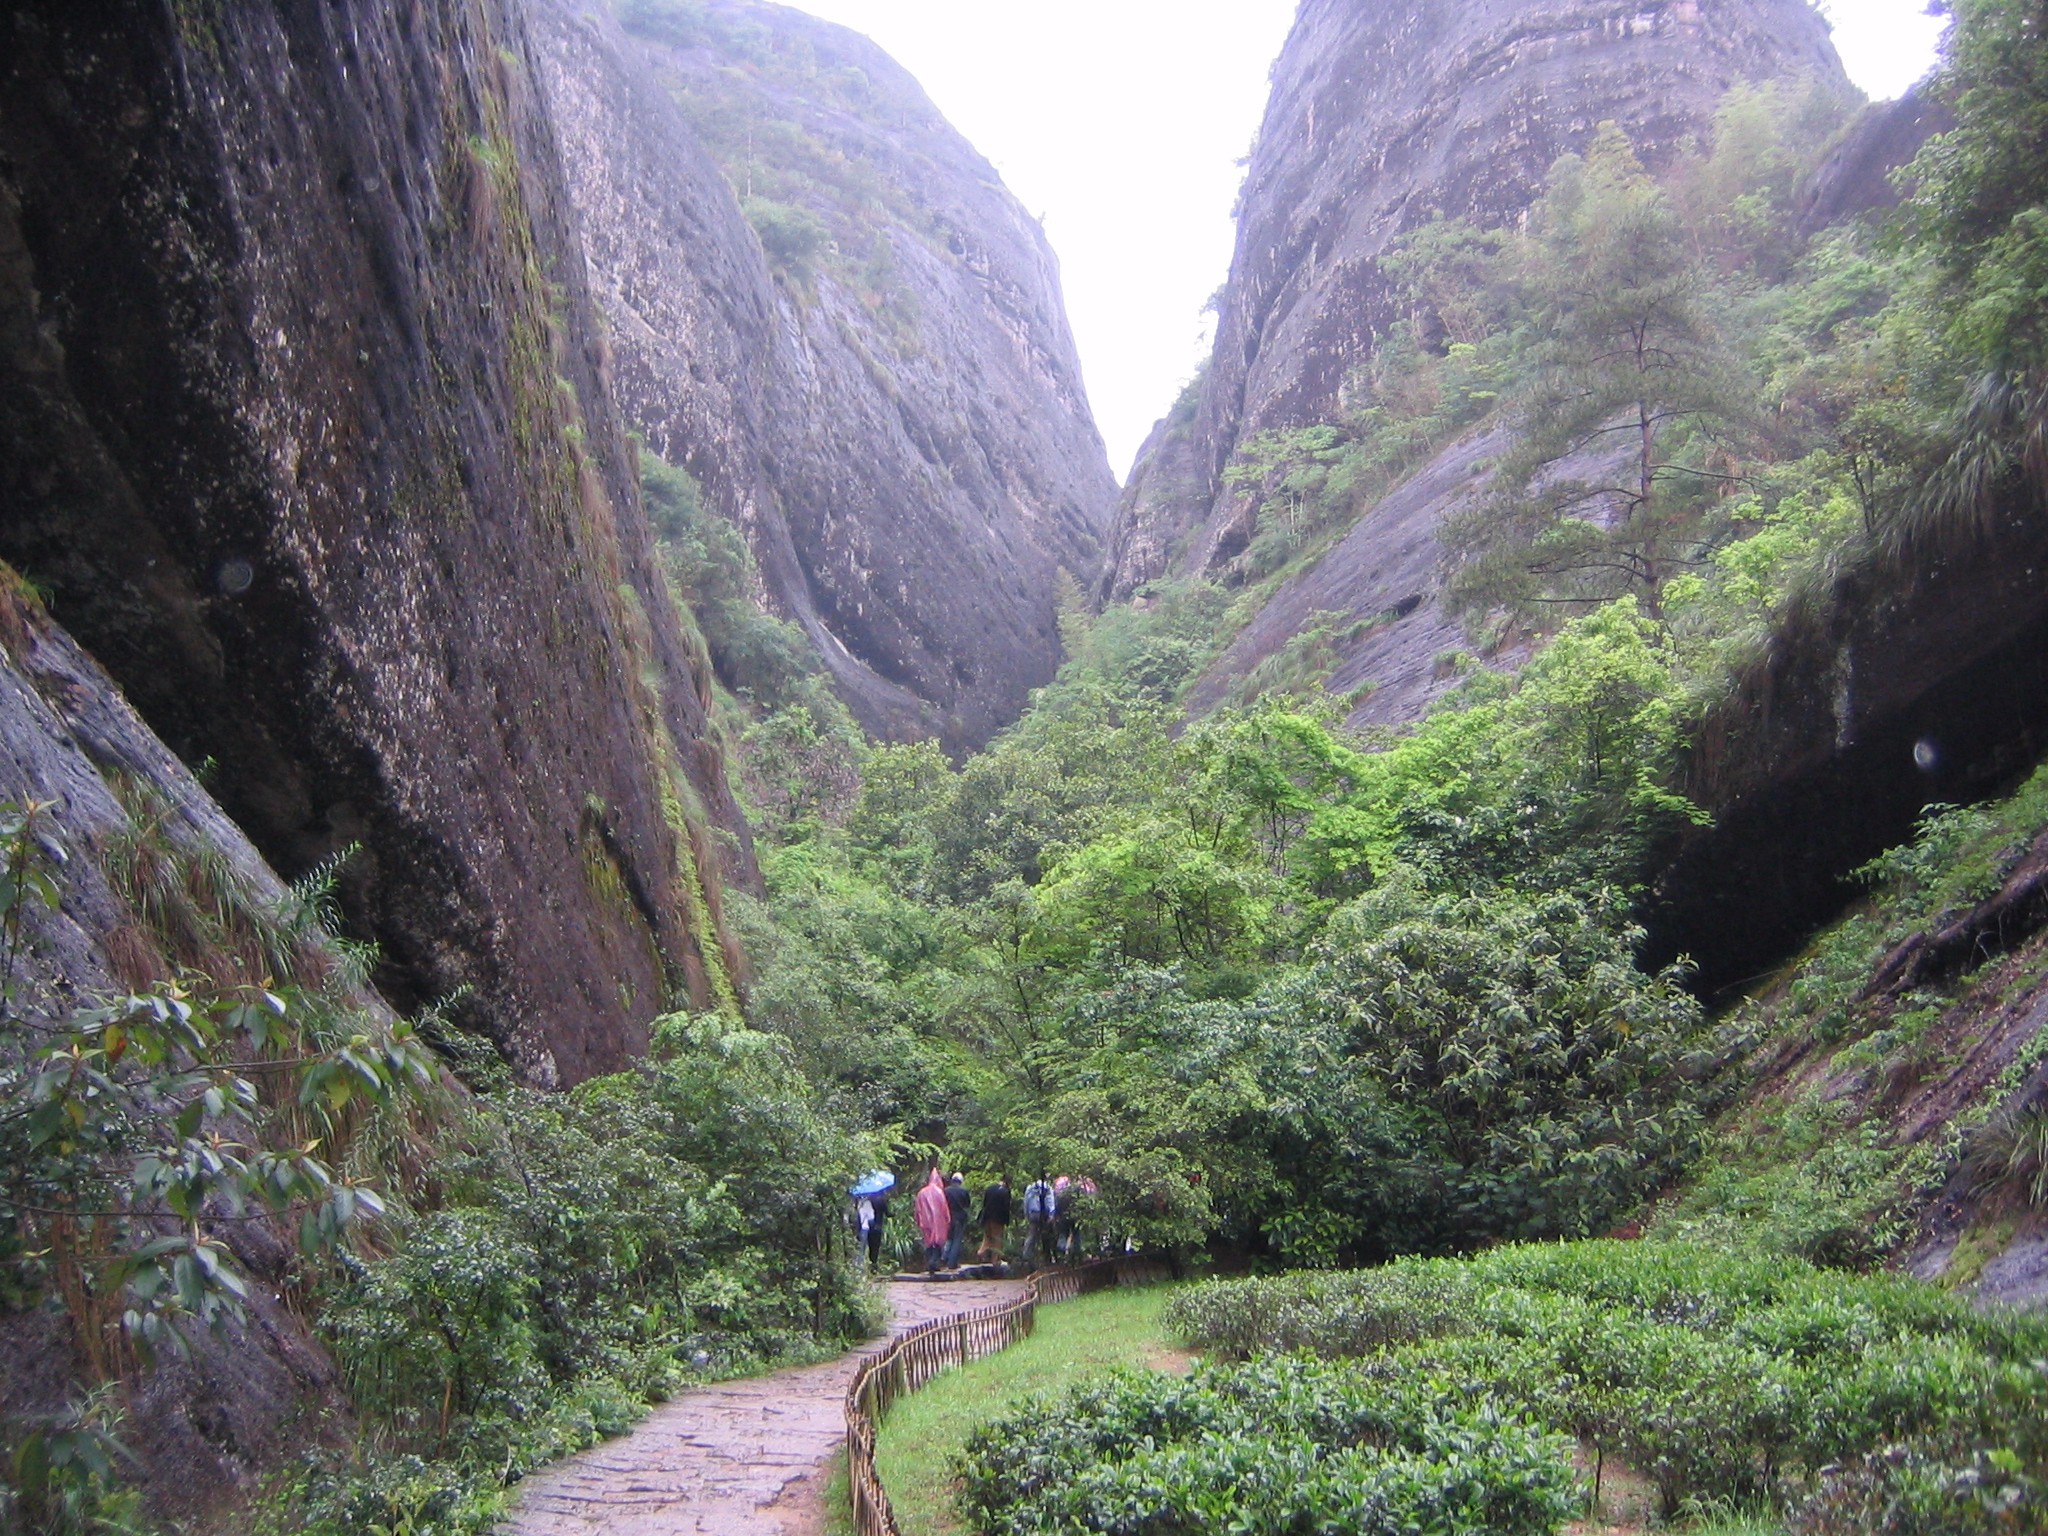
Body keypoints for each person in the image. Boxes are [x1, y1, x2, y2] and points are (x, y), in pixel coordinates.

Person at [914, 1168, 950, 1275]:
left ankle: (930, 1262)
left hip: (925, 1222)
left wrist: (918, 1220)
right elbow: (944, 1208)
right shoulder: (940, 1193)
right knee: (937, 1242)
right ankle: (934, 1263)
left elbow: (918, 1209)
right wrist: (948, 1219)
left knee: (928, 1242)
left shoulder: (921, 1193)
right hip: (939, 1222)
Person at [1021, 1174, 1055, 1264]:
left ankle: (1027, 1256)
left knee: (1032, 1235)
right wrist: (1051, 1214)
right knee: (1046, 1236)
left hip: (1033, 1213)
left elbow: (1026, 1201)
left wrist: (1027, 1214)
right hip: (1045, 1214)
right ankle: (1047, 1257)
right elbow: (1050, 1201)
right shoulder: (1048, 1187)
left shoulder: (1031, 1187)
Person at [977, 1175, 1012, 1263]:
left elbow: (984, 1204)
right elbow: (1006, 1208)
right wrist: (1007, 1221)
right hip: (998, 1219)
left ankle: (981, 1253)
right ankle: (995, 1260)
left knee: (987, 1238)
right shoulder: (1005, 1192)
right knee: (997, 1239)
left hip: (986, 1218)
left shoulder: (990, 1188)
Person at [943, 1172, 972, 1269]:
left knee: (949, 1239)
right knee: (957, 1240)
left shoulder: (946, 1191)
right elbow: (967, 1204)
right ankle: (952, 1263)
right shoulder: (964, 1191)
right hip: (960, 1218)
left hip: (948, 1217)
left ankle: (944, 1258)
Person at [862, 1191, 889, 1268]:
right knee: (876, 1247)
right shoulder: (881, 1201)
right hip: (878, 1226)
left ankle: (869, 1263)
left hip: (868, 1226)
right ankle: (874, 1264)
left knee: (869, 1246)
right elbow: (888, 1214)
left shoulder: (868, 1201)